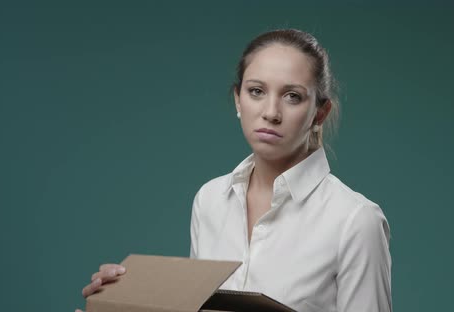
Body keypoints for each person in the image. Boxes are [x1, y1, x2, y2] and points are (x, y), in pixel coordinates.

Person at [77, 28, 392, 312]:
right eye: (256, 91)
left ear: (319, 113)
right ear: (238, 100)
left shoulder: (355, 220)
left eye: (292, 96)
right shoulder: (210, 200)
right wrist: (125, 299)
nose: (270, 112)